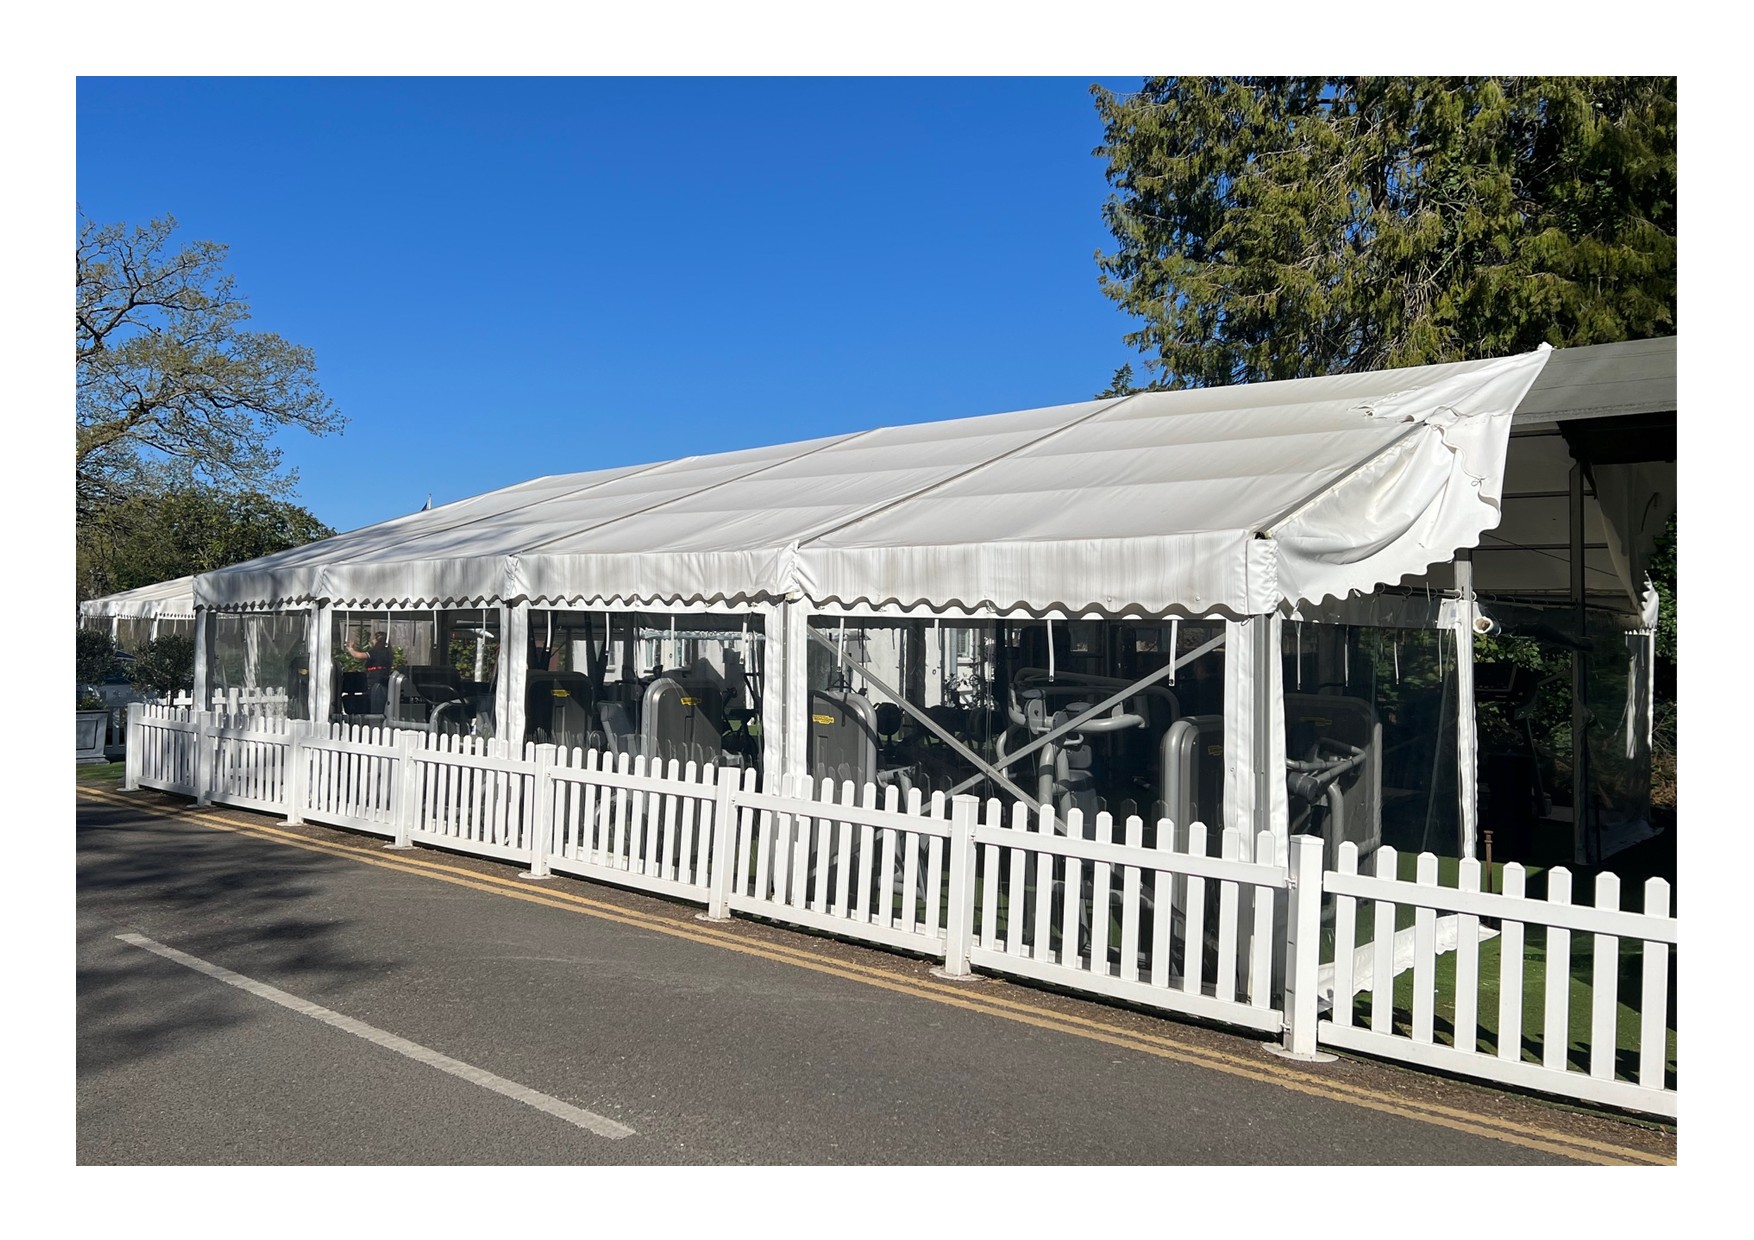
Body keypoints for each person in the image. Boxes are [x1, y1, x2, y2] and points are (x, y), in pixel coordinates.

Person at [347, 630, 393, 717]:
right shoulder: (388, 652)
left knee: (371, 698)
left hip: (373, 679)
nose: (372, 641)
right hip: (382, 679)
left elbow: (358, 656)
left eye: (374, 639)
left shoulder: (376, 651)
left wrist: (350, 649)